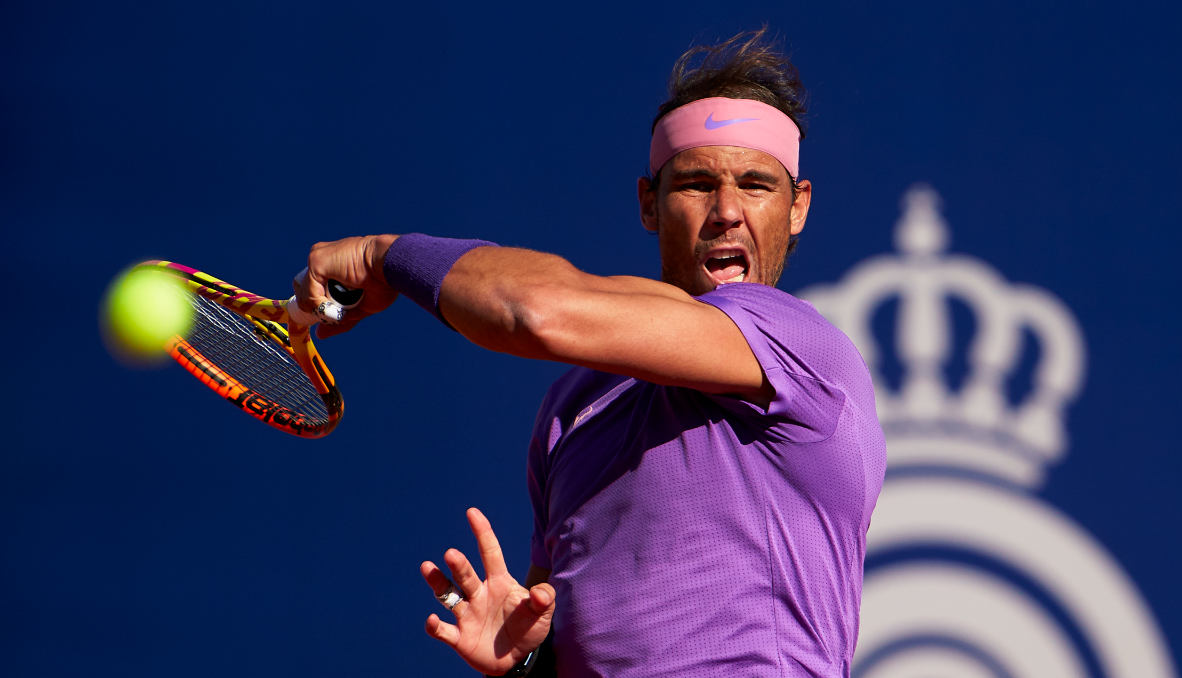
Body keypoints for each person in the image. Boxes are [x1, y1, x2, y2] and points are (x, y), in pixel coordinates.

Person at [293, 28, 886, 678]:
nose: (725, 210)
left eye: (755, 184)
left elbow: (535, 312)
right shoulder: (573, 405)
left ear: (797, 208)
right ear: (649, 204)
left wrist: (385, 256)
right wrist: (526, 661)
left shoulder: (798, 343)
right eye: (695, 184)